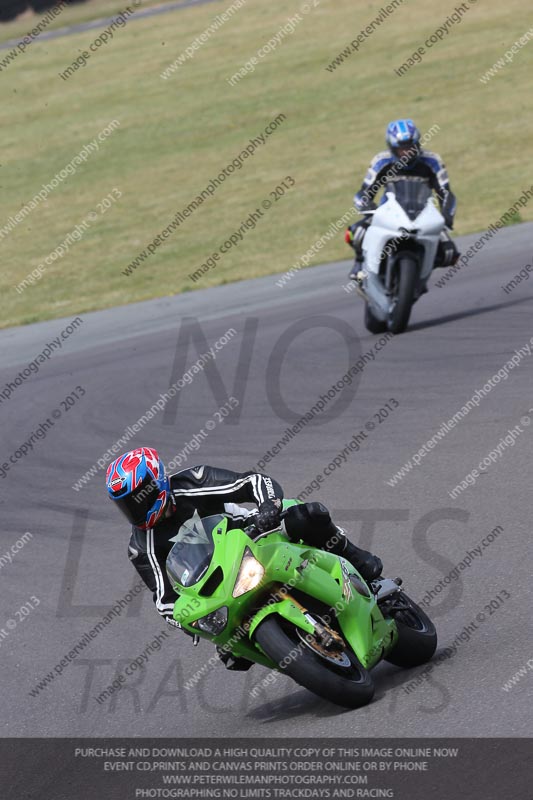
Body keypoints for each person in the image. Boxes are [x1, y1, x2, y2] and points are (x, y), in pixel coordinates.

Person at [106, 446, 383, 669]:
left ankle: (355, 559)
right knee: (230, 651)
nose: (136, 509)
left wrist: (268, 506)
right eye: (127, 505)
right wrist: (189, 621)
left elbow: (253, 481)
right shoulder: (141, 547)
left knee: (305, 515)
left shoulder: (193, 482)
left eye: (140, 498)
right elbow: (165, 600)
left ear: (158, 481)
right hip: (217, 584)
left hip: (255, 534)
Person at [346, 119, 459, 280]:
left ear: (418, 144)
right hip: (388, 213)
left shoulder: (432, 161)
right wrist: (368, 209)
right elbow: (365, 192)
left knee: (450, 254)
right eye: (402, 150)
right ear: (392, 148)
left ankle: (419, 273)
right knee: (355, 233)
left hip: (422, 213)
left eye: (410, 148)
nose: (407, 153)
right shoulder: (381, 161)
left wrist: (446, 220)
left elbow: (446, 193)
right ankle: (359, 262)